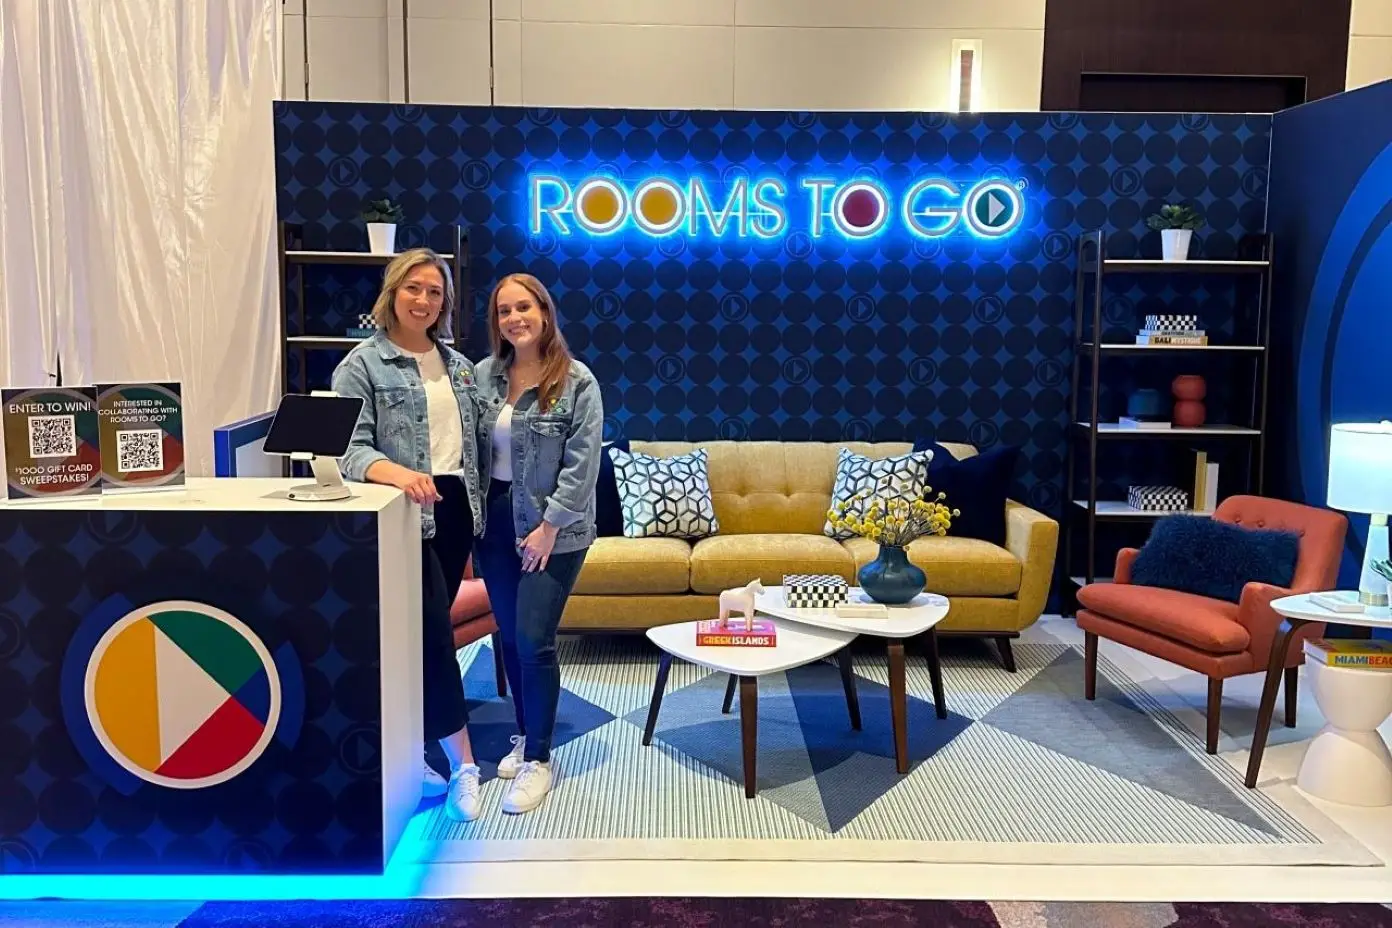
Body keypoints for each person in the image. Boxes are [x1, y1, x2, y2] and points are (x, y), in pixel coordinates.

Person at [331, 248, 486, 822]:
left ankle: (408, 755)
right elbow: (346, 449)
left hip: (453, 516)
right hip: (399, 519)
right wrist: (398, 474)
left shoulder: (458, 365)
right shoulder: (362, 365)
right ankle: (464, 763)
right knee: (431, 641)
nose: (424, 300)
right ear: (392, 292)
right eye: (414, 288)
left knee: (415, 643)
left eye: (436, 292)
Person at [473, 272, 603, 815]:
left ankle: (541, 760)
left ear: (544, 312)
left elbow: (582, 463)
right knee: (508, 635)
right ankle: (525, 735)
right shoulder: (480, 377)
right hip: (495, 520)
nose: (514, 319)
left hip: (556, 527)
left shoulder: (576, 380)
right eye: (504, 311)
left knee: (533, 639)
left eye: (523, 307)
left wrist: (548, 527)